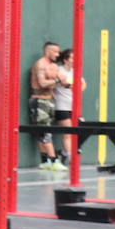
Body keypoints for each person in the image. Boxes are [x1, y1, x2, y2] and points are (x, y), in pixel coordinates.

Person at [29, 41, 63, 171]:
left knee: (42, 132)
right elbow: (43, 83)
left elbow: (63, 81)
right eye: (55, 51)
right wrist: (58, 80)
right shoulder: (40, 64)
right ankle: (53, 160)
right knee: (44, 131)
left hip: (49, 100)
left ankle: (45, 161)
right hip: (39, 101)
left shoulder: (53, 65)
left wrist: (65, 81)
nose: (57, 54)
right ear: (48, 51)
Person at [52, 48, 85, 168]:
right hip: (61, 106)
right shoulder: (58, 70)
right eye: (73, 58)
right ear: (66, 59)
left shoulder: (75, 72)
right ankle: (72, 159)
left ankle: (64, 152)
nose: (75, 61)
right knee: (68, 133)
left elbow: (83, 85)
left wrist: (76, 86)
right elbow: (63, 83)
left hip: (74, 107)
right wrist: (72, 85)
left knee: (77, 133)